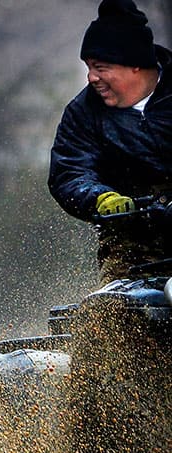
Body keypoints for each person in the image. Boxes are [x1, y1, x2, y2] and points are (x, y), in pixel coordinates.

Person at [48, 0, 172, 282]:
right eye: (89, 67)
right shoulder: (83, 113)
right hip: (131, 240)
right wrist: (100, 197)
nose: (92, 78)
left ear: (135, 66)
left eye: (100, 67)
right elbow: (69, 171)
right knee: (116, 310)